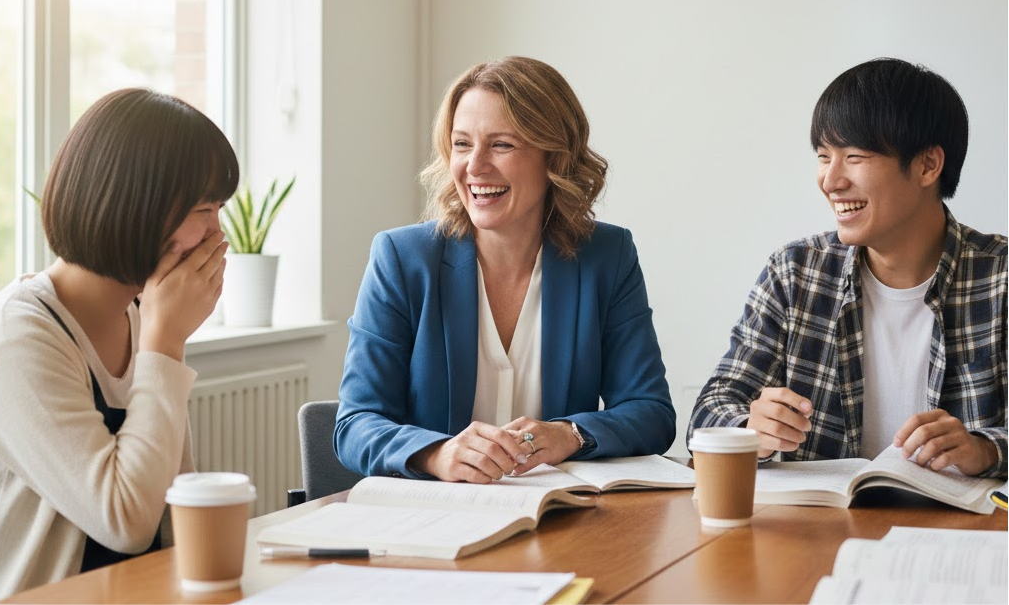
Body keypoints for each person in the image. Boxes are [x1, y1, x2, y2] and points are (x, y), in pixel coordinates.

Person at [335, 56, 675, 482]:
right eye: (462, 144)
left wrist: (570, 434)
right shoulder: (402, 258)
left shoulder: (606, 256)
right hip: (435, 510)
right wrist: (437, 454)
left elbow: (651, 413)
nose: (475, 166)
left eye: (501, 145)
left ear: (554, 157)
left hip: (556, 511)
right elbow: (356, 424)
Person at [689, 58, 1006, 478]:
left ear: (928, 165)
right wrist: (750, 428)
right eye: (824, 157)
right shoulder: (796, 273)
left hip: (960, 520)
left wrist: (986, 450)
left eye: (854, 156)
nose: (830, 180)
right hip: (826, 518)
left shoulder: (999, 278)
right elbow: (708, 413)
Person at [0, 88, 238, 600]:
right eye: (203, 209)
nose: (217, 232)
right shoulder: (18, 337)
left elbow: (172, 500)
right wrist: (165, 343)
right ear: (136, 209)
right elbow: (125, 521)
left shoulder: (141, 315)